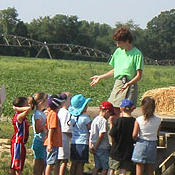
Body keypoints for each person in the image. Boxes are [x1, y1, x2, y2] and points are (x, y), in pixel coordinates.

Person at [90, 26, 144, 119]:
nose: (117, 45)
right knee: (113, 112)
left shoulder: (137, 54)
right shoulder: (118, 52)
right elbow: (116, 70)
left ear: (127, 41)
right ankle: (113, 132)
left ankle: (123, 132)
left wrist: (128, 83)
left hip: (130, 85)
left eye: (119, 42)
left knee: (124, 113)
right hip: (119, 83)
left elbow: (139, 75)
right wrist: (101, 77)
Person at [131, 96, 161, 175]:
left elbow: (134, 134)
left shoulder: (139, 119)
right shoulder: (158, 120)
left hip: (141, 142)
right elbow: (157, 133)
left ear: (142, 107)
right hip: (152, 143)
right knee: (150, 168)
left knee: (139, 167)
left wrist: (136, 139)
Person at [109, 99, 136, 175]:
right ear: (132, 109)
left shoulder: (118, 121)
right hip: (128, 150)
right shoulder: (134, 121)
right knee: (123, 171)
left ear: (121, 108)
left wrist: (112, 143)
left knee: (112, 169)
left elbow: (112, 134)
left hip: (116, 149)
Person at [68, 94, 92, 175]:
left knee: (74, 163)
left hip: (74, 142)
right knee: (80, 164)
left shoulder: (71, 117)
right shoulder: (85, 118)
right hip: (83, 142)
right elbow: (90, 128)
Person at [89, 101, 114, 175]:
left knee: (97, 166)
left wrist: (91, 145)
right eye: (110, 114)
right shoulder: (103, 121)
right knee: (105, 168)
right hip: (102, 147)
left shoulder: (95, 119)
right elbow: (101, 135)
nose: (109, 116)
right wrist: (96, 147)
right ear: (107, 111)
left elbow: (91, 133)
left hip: (94, 146)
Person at [10, 97, 31, 175]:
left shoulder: (21, 115)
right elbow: (29, 109)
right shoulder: (19, 116)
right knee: (17, 167)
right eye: (26, 104)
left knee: (14, 165)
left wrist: (17, 108)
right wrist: (17, 108)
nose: (28, 105)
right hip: (18, 142)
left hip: (20, 142)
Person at [44, 96, 65, 175]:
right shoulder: (54, 115)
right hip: (53, 142)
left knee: (51, 162)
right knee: (50, 163)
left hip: (52, 142)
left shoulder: (50, 113)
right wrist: (50, 143)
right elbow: (51, 130)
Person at [28, 92, 48, 175]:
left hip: (42, 141)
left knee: (43, 162)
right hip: (39, 141)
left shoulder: (41, 112)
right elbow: (37, 129)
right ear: (41, 103)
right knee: (38, 162)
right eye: (46, 101)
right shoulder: (37, 114)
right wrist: (46, 125)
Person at [54, 92, 72, 175]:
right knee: (64, 160)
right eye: (69, 99)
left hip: (57, 136)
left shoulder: (58, 111)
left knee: (57, 160)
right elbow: (66, 128)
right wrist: (71, 135)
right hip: (63, 138)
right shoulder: (66, 113)